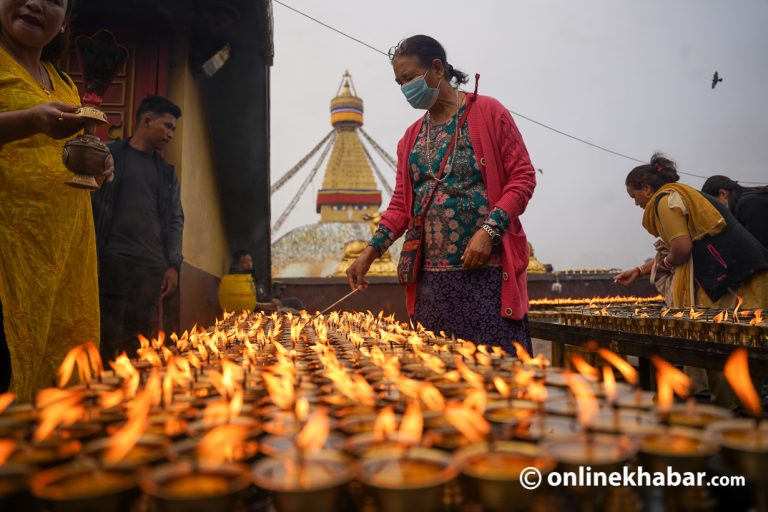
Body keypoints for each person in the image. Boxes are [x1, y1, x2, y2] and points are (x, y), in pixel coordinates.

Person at [346, 35, 536, 355]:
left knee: (498, 371)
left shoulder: (489, 113)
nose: (405, 88)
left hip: (486, 274)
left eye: (409, 78)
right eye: (399, 82)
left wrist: (488, 232)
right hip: (432, 283)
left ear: (437, 69)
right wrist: (369, 252)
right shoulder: (411, 138)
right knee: (442, 372)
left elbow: (522, 178)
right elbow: (401, 205)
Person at [0, 0, 112, 399]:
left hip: (64, 255)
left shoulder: (62, 83)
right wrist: (30, 120)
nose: (35, 3)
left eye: (54, 0)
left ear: (64, 21)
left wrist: (100, 162)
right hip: (10, 255)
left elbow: (69, 151)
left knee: (60, 392)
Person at [614, 154, 768, 407]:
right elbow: (682, 247)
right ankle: (739, 415)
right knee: (737, 351)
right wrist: (640, 270)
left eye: (635, 197)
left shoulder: (665, 200)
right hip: (743, 276)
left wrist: (663, 265)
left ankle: (730, 420)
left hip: (736, 282)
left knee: (723, 349)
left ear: (647, 188)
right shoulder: (683, 194)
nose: (636, 204)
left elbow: (681, 249)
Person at [92, 95, 184, 360]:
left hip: (151, 267)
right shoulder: (110, 155)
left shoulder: (167, 172)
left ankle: (131, 396)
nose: (170, 134)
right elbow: (88, 202)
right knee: (106, 336)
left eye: (174, 129)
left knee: (138, 339)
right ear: (147, 121)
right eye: (167, 126)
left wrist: (173, 265)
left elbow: (176, 218)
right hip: (113, 262)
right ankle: (103, 395)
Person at [701, 175, 768, 250]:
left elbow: (760, 249)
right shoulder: (746, 203)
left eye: (714, 205)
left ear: (723, 193)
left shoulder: (747, 204)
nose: (716, 211)